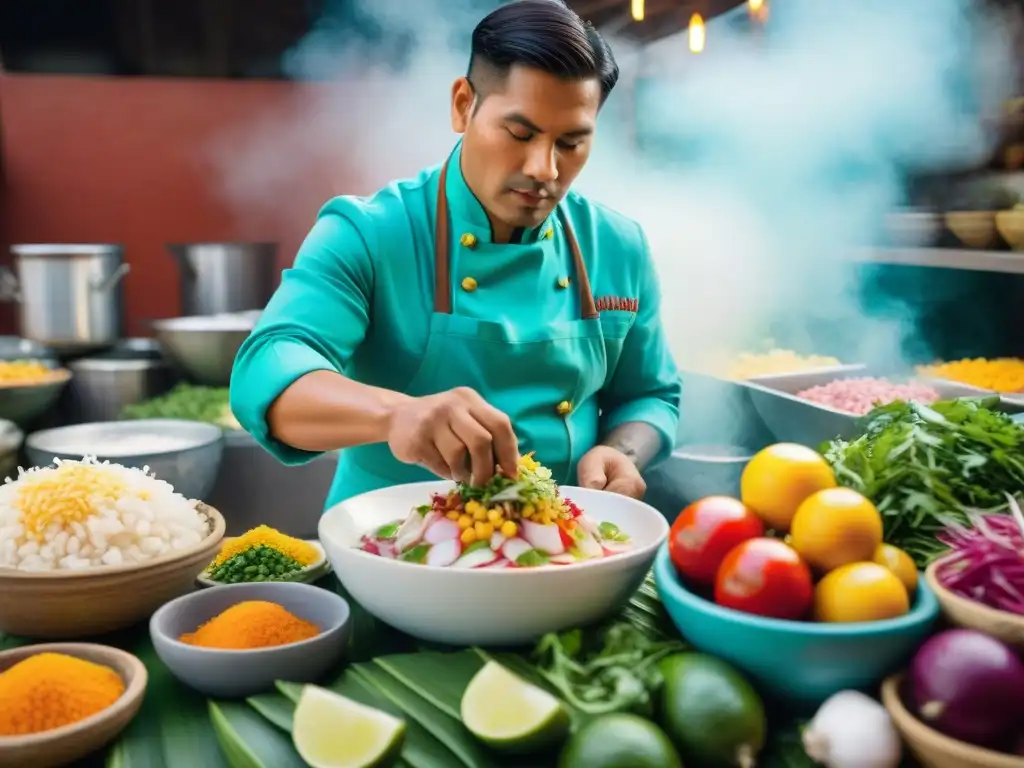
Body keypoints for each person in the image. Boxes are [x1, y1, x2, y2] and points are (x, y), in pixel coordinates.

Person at [229, 0, 682, 509]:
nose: (544, 169)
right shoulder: (368, 233)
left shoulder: (618, 246)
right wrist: (396, 414)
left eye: (571, 143)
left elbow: (651, 395)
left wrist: (622, 449)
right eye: (520, 133)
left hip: (564, 550)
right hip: (390, 550)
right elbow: (266, 371)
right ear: (463, 105)